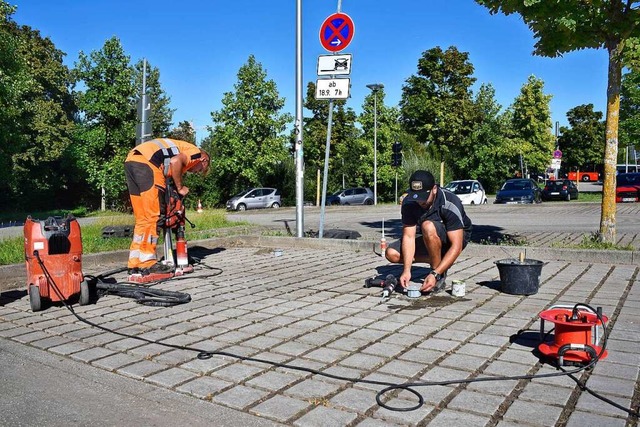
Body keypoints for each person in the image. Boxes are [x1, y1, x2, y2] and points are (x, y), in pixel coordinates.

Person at [124, 138, 210, 281]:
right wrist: (180, 187)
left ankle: (135, 263)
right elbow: (175, 162)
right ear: (204, 160)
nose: (194, 171)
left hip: (132, 160)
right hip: (149, 164)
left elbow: (171, 165)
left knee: (142, 218)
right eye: (199, 170)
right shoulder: (195, 153)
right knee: (154, 216)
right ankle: (148, 262)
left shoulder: (181, 147)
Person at [385, 170, 472, 293]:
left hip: (454, 236)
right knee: (392, 253)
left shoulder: (450, 202)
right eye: (417, 197)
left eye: (424, 197)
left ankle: (438, 274)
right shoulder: (408, 202)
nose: (420, 202)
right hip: (428, 235)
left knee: (428, 226)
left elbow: (456, 246)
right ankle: (441, 261)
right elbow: (409, 237)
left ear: (434, 189)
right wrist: (406, 271)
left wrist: (434, 274)